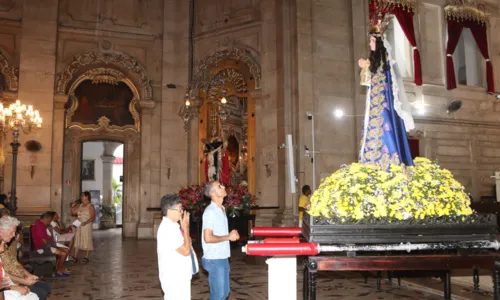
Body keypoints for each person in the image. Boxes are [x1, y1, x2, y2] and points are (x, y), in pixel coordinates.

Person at [357, 21, 415, 171]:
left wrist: (367, 68)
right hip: (374, 105)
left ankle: (388, 165)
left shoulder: (387, 61)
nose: (370, 44)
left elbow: (383, 81)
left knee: (384, 130)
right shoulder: (375, 62)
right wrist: (366, 69)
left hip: (383, 106)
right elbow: (366, 82)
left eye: (371, 40)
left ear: (378, 41)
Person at [202, 181, 239, 300]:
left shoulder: (221, 208)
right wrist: (228, 236)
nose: (223, 186)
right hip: (214, 258)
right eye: (219, 186)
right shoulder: (210, 211)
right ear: (213, 193)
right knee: (218, 295)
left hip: (222, 257)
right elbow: (207, 237)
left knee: (224, 293)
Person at [157, 194, 192, 299]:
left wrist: (185, 229)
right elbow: (186, 250)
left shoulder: (173, 226)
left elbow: (188, 242)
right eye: (180, 209)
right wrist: (185, 228)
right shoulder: (168, 229)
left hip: (180, 276)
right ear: (170, 210)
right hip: (174, 278)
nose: (182, 212)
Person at [1, 226, 51, 300]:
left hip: (12, 282)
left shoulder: (7, 245)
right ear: (2, 231)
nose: (14, 235)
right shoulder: (4, 246)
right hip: (11, 282)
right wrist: (16, 285)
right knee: (39, 292)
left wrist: (28, 275)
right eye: (12, 232)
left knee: (45, 287)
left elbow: (15, 263)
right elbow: (5, 274)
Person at [31, 212, 70, 277]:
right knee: (64, 253)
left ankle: (58, 269)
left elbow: (48, 238)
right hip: (41, 248)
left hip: (45, 245)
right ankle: (58, 272)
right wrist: (55, 247)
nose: (49, 222)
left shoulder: (40, 224)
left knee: (66, 250)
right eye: (49, 221)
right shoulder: (39, 225)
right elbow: (44, 241)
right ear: (46, 218)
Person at [71, 191, 95, 263]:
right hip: (79, 224)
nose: (81, 197)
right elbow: (73, 213)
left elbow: (93, 217)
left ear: (86, 197)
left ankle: (86, 257)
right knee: (77, 238)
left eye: (82, 196)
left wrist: (85, 222)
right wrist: (73, 207)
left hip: (86, 225)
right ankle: (75, 257)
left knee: (87, 238)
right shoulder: (80, 205)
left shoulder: (90, 206)